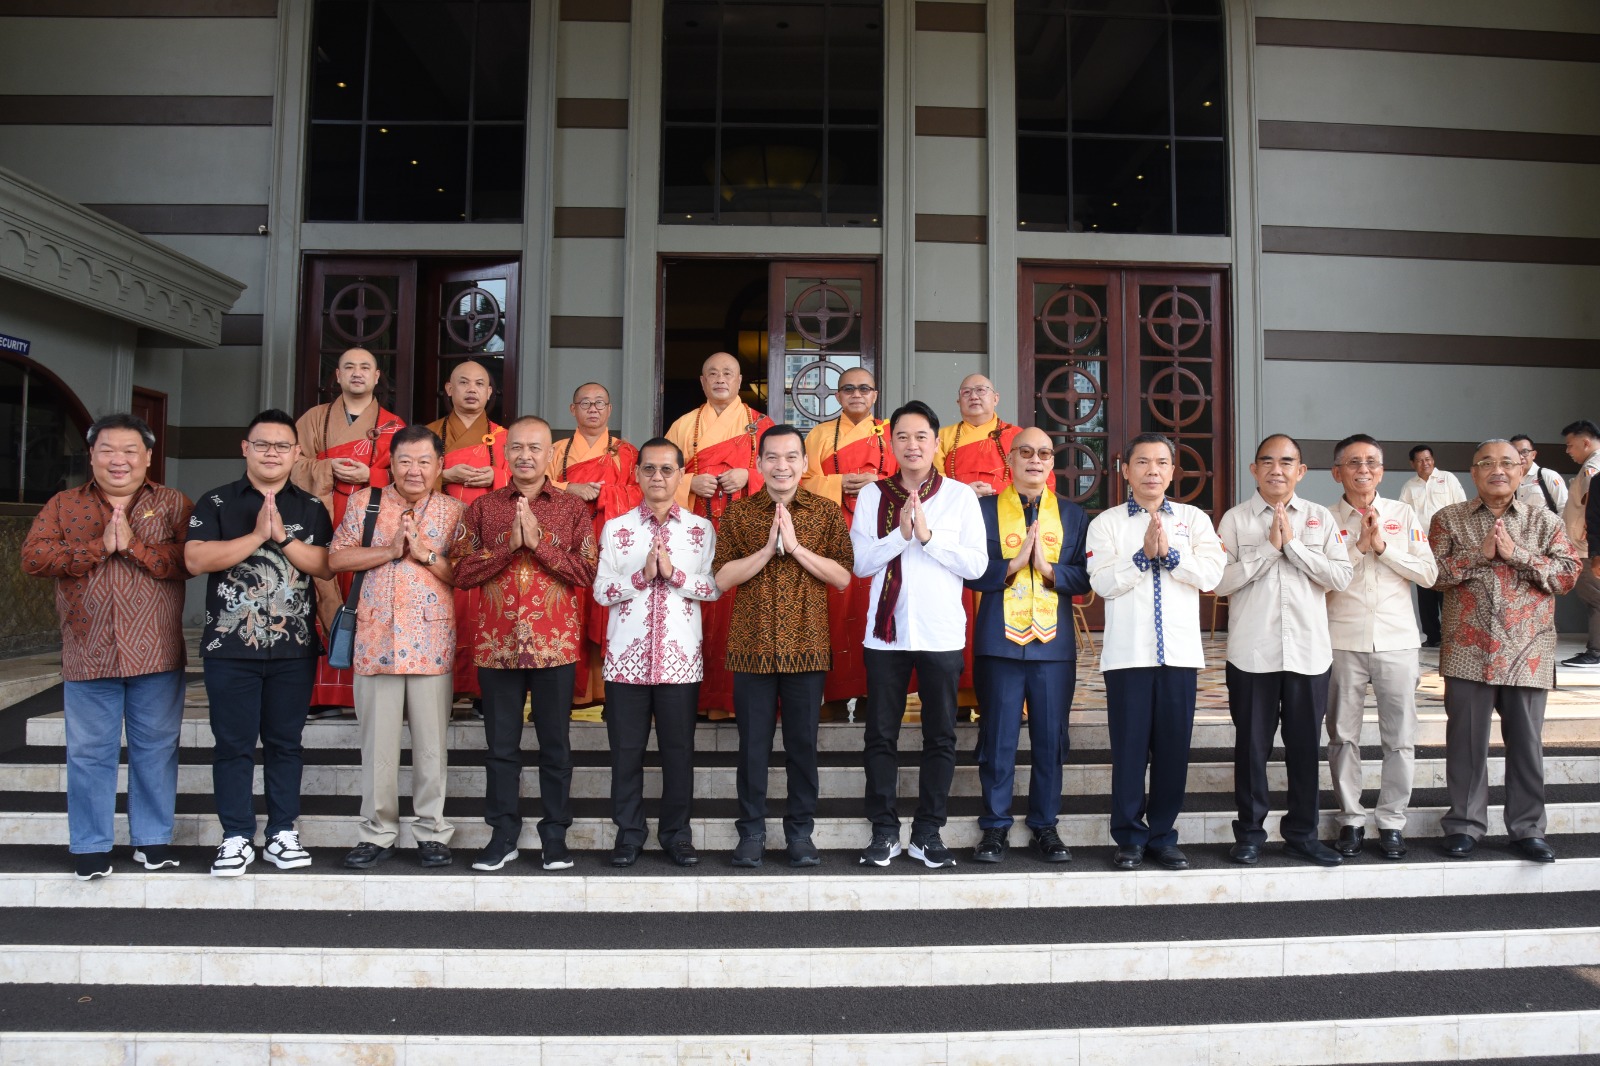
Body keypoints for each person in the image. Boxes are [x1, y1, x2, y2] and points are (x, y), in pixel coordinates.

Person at [22, 413, 191, 881]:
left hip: (156, 651)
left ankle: (152, 841)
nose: (119, 460)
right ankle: (91, 845)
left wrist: (134, 547)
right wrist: (98, 548)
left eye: (130, 451)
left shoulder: (174, 503)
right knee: (89, 753)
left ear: (148, 456)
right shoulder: (63, 504)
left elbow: (190, 561)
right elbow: (34, 557)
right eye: (108, 451)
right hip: (86, 649)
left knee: (156, 748)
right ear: (92, 455)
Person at [184, 410, 334, 877]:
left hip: (294, 649)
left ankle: (282, 833)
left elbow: (325, 566)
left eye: (282, 446)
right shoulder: (216, 502)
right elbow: (195, 559)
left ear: (296, 453)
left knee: (286, 742)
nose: (272, 453)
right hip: (230, 648)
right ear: (245, 448)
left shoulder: (310, 507)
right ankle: (235, 837)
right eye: (263, 444)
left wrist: (283, 539)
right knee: (232, 744)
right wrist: (255, 536)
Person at [450, 416, 597, 873]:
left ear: (550, 453)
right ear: (505, 452)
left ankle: (554, 837)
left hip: (554, 646)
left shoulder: (574, 509)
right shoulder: (483, 507)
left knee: (556, 747)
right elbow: (460, 570)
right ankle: (503, 835)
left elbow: (588, 574)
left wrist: (541, 545)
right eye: (517, 448)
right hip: (498, 645)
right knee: (501, 749)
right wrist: (507, 546)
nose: (525, 456)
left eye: (535, 448)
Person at [851, 400, 988, 868]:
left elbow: (977, 565)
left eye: (921, 437)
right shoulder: (874, 496)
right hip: (885, 636)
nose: (912, 445)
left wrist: (929, 538)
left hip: (941, 633)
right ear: (891, 443)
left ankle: (928, 832)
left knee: (940, 736)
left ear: (936, 442)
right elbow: (861, 563)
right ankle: (885, 831)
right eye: (903, 437)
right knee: (880, 735)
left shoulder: (959, 496)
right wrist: (900, 535)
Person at [1432, 439, 1581, 862]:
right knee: (1465, 744)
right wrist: (1477, 557)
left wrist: (1517, 555)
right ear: (1473, 472)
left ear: (1522, 470)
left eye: (1507, 463)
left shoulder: (1544, 521)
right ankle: (1463, 825)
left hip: (1528, 650)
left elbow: (1567, 574)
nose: (1497, 470)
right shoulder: (1449, 519)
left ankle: (1528, 829)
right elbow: (1433, 575)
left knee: (1527, 745)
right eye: (1486, 463)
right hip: (1467, 650)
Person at [713, 424, 854, 868]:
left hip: (807, 647)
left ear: (804, 463)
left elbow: (843, 576)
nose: (782, 465)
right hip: (751, 646)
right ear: (759, 464)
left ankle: (800, 834)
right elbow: (720, 580)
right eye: (772, 457)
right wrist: (765, 550)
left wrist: (794, 548)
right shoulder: (738, 516)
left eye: (791, 456)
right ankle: (751, 833)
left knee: (801, 747)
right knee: (752, 747)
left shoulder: (827, 513)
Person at [327, 425, 465, 869]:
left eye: (426, 461)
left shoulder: (454, 512)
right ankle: (377, 832)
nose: (415, 470)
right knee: (378, 747)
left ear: (440, 466)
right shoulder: (365, 502)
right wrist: (387, 550)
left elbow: (462, 575)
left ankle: (431, 831)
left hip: (431, 641)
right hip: (375, 639)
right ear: (391, 463)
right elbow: (336, 559)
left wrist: (425, 554)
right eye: (406, 460)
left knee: (430, 747)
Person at [1087, 433, 1225, 871]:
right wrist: (1142, 557)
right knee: (1128, 751)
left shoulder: (1194, 519)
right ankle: (1129, 837)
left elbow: (1210, 575)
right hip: (1127, 657)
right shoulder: (1106, 523)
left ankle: (1163, 835)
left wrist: (1170, 556)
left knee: (1172, 751)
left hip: (1180, 657)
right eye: (1142, 462)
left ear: (1171, 471)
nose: (1152, 470)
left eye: (1161, 462)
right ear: (1125, 471)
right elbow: (1102, 582)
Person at [1214, 433, 1352, 867]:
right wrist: (1269, 551)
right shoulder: (1234, 521)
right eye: (1267, 461)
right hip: (1251, 655)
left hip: (1309, 655)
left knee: (1304, 748)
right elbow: (1217, 582)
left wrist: (1292, 546)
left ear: (1301, 471)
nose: (1277, 469)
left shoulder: (1319, 519)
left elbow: (1341, 577)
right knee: (1251, 748)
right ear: (1253, 469)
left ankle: (1302, 833)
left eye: (1287, 462)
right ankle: (1251, 833)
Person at [594, 438, 721, 868]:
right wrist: (642, 576)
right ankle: (629, 834)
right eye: (649, 469)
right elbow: (600, 591)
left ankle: (676, 835)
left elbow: (712, 587)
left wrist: (674, 573)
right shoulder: (617, 528)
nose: (658, 477)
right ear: (637, 474)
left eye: (667, 470)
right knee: (625, 754)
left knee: (678, 753)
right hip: (625, 663)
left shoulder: (700, 530)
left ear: (681, 474)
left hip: (679, 661)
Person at [965, 427, 1090, 865]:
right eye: (1025, 452)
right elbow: (968, 572)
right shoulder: (981, 512)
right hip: (999, 643)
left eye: (1043, 453)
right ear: (1010, 461)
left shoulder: (1073, 517)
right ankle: (995, 827)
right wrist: (1012, 566)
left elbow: (1085, 577)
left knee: (1050, 740)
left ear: (1051, 463)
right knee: (997, 738)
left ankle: (1044, 825)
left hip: (1053, 649)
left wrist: (1051, 570)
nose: (1034, 460)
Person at [1323, 434, 1437, 861]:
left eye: (1372, 462)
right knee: (1342, 737)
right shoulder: (1323, 519)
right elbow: (1320, 578)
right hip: (1341, 639)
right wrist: (1357, 548)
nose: (1364, 470)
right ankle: (1351, 818)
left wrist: (1384, 549)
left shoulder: (1403, 513)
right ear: (1338, 472)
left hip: (1397, 639)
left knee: (1400, 738)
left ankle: (1391, 821)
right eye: (1354, 462)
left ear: (1383, 471)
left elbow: (1428, 574)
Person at [291, 347, 405, 715]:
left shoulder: (394, 425)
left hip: (371, 520)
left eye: (366, 368)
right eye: (349, 367)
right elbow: (291, 463)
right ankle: (322, 694)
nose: (357, 373)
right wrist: (326, 468)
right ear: (337, 376)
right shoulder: (313, 419)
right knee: (318, 588)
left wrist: (369, 475)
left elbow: (412, 475)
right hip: (319, 514)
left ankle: (365, 690)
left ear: (376, 378)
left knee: (364, 593)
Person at [931, 374, 1054, 712]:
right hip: (961, 536)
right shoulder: (942, 438)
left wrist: (1004, 496)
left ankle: (1017, 704)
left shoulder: (1019, 438)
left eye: (981, 390)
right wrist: (963, 493)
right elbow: (931, 481)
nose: (974, 397)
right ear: (957, 401)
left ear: (996, 398)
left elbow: (1043, 480)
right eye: (966, 392)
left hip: (1010, 535)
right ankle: (960, 698)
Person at [665, 351, 775, 719]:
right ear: (702, 381)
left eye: (728, 373)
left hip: (748, 532)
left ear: (740, 381)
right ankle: (692, 700)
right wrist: (688, 481)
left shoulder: (761, 425)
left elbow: (789, 473)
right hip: (693, 531)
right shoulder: (683, 425)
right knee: (693, 607)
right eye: (712, 373)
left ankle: (738, 702)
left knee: (742, 610)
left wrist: (751, 476)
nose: (720, 379)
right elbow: (657, 475)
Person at [802, 367, 896, 719]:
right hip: (833, 533)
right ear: (838, 396)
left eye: (864, 388)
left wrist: (878, 482)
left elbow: (915, 476)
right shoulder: (820, 434)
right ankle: (836, 697)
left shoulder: (892, 434)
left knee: (879, 607)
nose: (857, 394)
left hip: (882, 535)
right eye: (848, 389)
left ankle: (878, 696)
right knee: (834, 613)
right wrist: (838, 482)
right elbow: (803, 479)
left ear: (874, 395)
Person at [548, 382, 642, 706]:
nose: (593, 408)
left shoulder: (627, 453)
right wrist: (569, 487)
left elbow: (641, 493)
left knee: (607, 609)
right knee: (570, 609)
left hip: (611, 543)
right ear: (572, 410)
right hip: (568, 543)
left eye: (600, 403)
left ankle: (605, 691)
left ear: (610, 410)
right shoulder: (556, 451)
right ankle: (570, 692)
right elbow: (537, 487)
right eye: (585, 403)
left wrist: (606, 494)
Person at [424, 359, 510, 708]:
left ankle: (480, 690)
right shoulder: (429, 434)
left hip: (489, 533)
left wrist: (495, 477)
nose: (471, 389)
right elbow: (405, 477)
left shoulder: (506, 438)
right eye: (463, 382)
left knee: (486, 607)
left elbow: (530, 480)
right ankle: (440, 684)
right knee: (445, 604)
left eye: (479, 383)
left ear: (490, 392)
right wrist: (444, 476)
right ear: (449, 388)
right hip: (441, 532)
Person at [1398, 444, 1466, 648]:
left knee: (1447, 589)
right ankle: (1432, 636)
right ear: (1413, 464)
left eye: (1427, 459)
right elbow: (1403, 516)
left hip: (1447, 543)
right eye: (1419, 460)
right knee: (1425, 590)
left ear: (1433, 460)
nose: (1424, 463)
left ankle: (1450, 636)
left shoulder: (1448, 479)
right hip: (1421, 545)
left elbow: (1461, 507)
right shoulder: (1409, 486)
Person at [1559, 420, 1600, 670]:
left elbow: (1592, 509)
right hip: (1587, 546)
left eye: (1570, 445)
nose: (1568, 451)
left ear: (1586, 442)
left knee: (1595, 599)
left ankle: (1596, 651)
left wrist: (1593, 548)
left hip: (1587, 549)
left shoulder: (1592, 468)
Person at [1510, 434, 1568, 516]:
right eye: (1515, 453)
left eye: (1525, 452)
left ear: (1533, 455)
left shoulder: (1548, 476)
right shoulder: (1509, 479)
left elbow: (1564, 507)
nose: (1520, 456)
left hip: (1546, 527)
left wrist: (1559, 528)